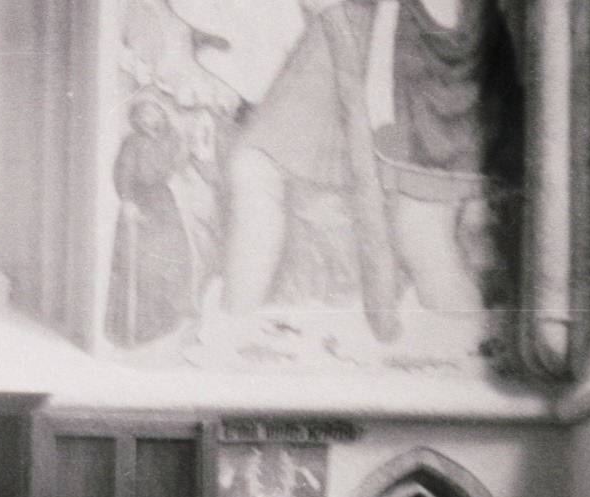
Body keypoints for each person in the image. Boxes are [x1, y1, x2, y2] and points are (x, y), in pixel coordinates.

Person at [221, 0, 520, 324]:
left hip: (413, 66)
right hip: (368, 47)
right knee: (254, 168)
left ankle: (475, 335)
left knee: (422, 233)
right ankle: (234, 322)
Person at [105, 96, 202, 347]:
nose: (149, 119)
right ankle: (138, 330)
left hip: (164, 202)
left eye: (153, 113)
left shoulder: (171, 139)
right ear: (136, 119)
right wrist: (128, 202)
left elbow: (181, 164)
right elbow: (123, 173)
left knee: (174, 256)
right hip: (139, 202)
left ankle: (171, 318)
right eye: (143, 114)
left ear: (161, 114)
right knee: (142, 265)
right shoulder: (132, 142)